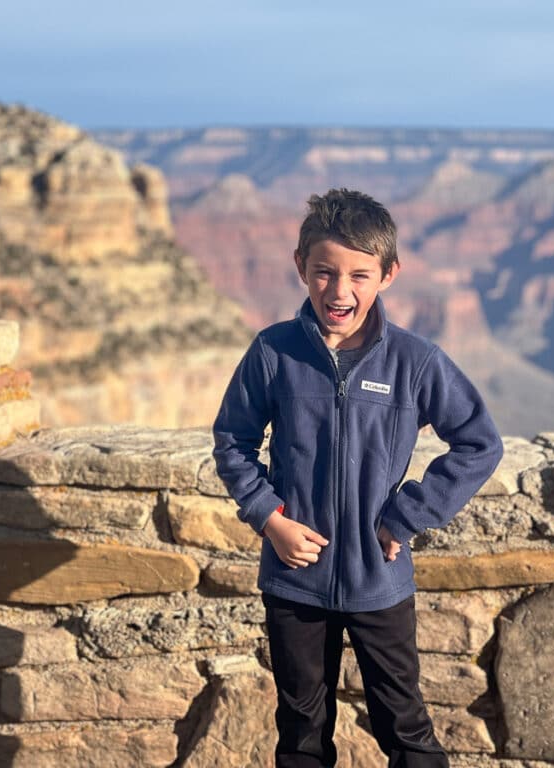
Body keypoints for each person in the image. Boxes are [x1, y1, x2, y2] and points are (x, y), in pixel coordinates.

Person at [212, 188, 503, 768]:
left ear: (389, 274)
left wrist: (407, 516)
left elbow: (479, 442)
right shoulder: (274, 353)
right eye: (323, 273)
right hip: (295, 582)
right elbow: (232, 441)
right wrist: (271, 520)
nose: (339, 292)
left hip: (380, 581)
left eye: (359, 276)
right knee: (301, 730)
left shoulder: (415, 362)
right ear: (301, 268)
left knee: (406, 729)